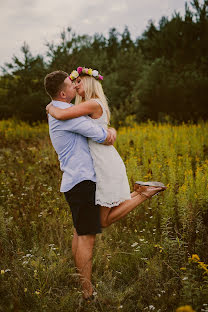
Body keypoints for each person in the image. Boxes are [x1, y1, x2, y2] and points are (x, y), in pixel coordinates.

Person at [45, 69, 166, 301]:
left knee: (82, 232)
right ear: (62, 92)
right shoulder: (65, 114)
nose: (75, 86)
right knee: (87, 235)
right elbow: (102, 135)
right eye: (71, 84)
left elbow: (97, 129)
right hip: (81, 180)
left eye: (78, 82)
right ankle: (87, 293)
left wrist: (50, 106)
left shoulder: (65, 111)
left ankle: (84, 288)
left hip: (79, 179)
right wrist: (109, 130)